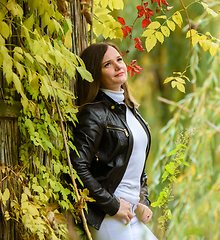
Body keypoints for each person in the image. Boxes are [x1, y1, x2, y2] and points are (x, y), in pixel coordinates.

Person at [70, 42, 158, 240]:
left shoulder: (131, 110)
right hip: (109, 217)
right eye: (107, 64)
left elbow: (137, 166)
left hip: (131, 213)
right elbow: (77, 167)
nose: (119, 66)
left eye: (119, 59)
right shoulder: (94, 113)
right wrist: (112, 205)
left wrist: (142, 201)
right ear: (95, 73)